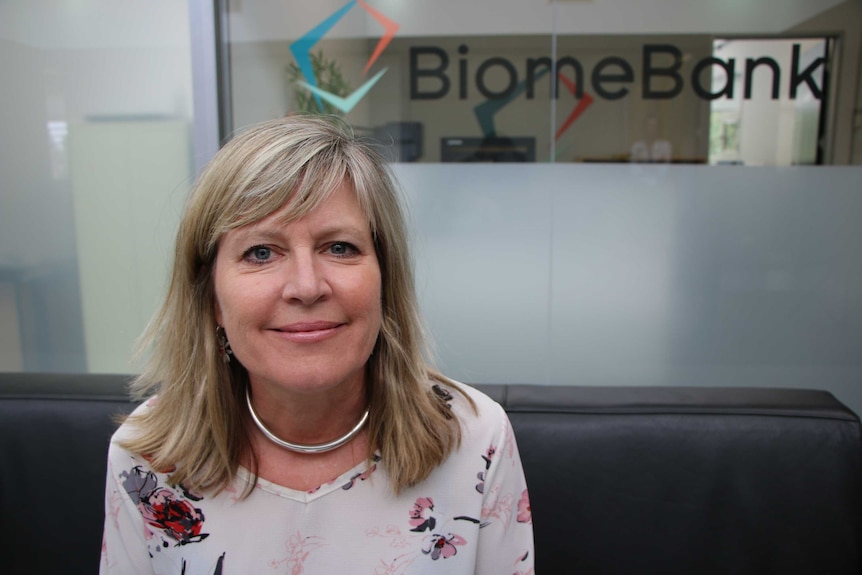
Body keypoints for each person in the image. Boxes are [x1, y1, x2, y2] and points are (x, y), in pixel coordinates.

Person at [100, 115, 534, 574]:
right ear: (210, 299)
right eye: (261, 252)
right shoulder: (146, 459)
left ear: (386, 280)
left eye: (340, 247)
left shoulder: (474, 438)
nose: (306, 287)